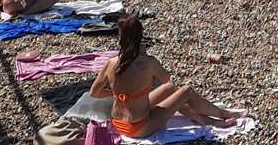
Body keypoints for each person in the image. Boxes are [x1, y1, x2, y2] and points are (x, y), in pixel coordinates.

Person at [91, 16, 248, 138]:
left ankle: (204, 118)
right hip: (139, 127)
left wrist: (117, 93)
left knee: (171, 90)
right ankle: (222, 115)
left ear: (120, 38)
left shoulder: (110, 63)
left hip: (117, 124)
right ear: (140, 37)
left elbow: (95, 93)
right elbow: (167, 80)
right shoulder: (149, 63)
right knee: (186, 91)